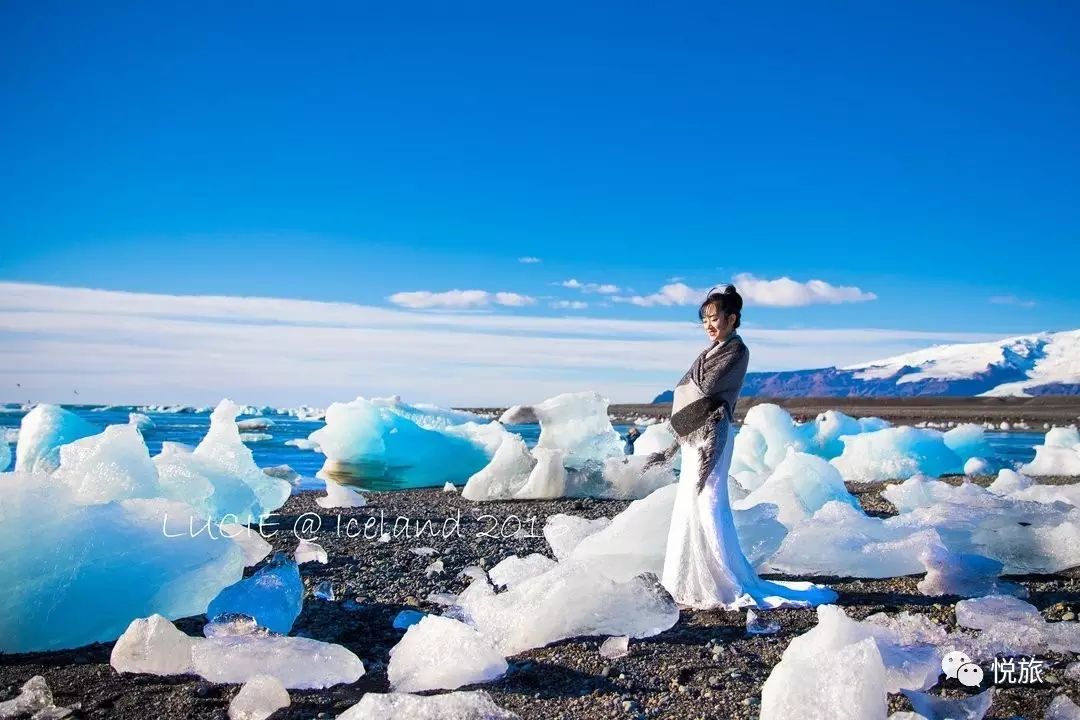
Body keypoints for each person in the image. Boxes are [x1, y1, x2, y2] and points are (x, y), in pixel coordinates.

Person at [645, 285, 837, 610]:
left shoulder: (736, 351)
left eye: (715, 318)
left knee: (708, 502)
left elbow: (704, 387)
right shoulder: (707, 353)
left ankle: (722, 577)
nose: (709, 325)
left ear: (732, 319)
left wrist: (688, 392)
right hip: (696, 435)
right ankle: (685, 577)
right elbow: (684, 387)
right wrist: (687, 394)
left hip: (714, 434)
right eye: (705, 319)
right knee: (689, 503)